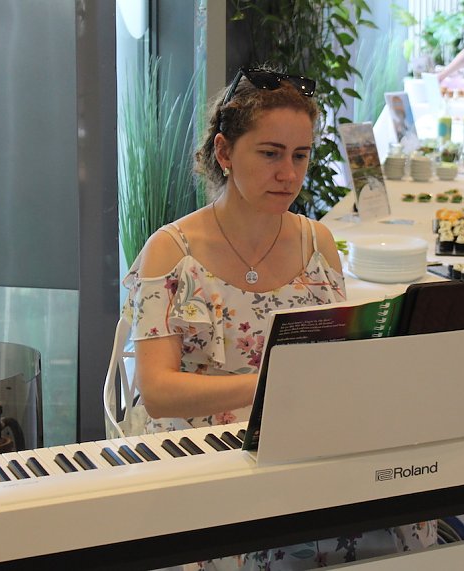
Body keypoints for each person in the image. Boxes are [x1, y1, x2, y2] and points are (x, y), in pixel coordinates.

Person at [122, 67, 436, 569]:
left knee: (404, 514)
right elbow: (157, 392)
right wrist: (272, 383)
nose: (288, 174)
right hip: (211, 459)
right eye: (269, 154)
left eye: (300, 155)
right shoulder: (171, 252)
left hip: (301, 443)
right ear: (224, 153)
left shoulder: (319, 243)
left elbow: (340, 361)